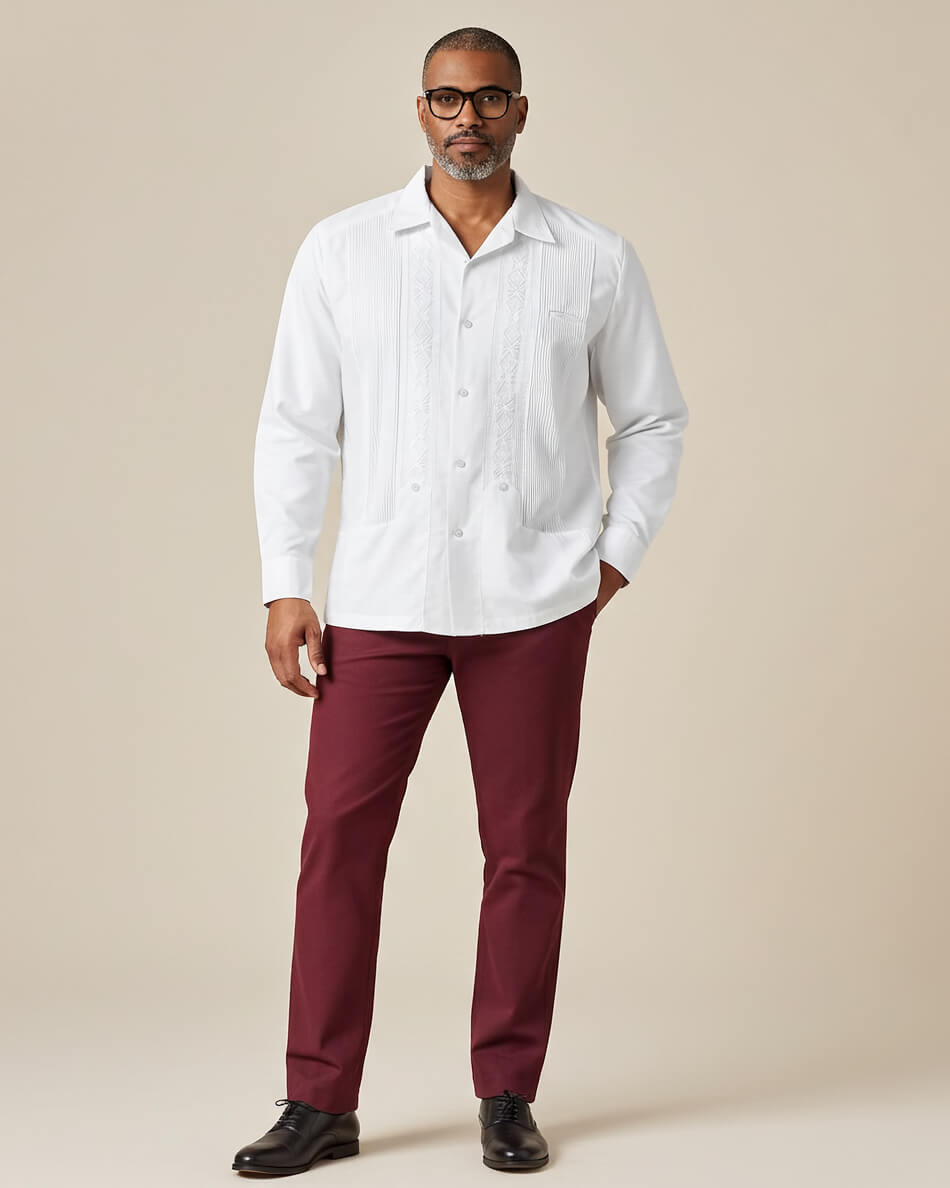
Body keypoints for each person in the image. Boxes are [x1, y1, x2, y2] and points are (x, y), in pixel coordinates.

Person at [233, 24, 689, 1177]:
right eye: (446, 99)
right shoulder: (343, 252)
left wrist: (613, 555)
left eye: (488, 101)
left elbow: (651, 419)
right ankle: (319, 1100)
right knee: (338, 839)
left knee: (524, 850)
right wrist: (287, 580)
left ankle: (505, 1092)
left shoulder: (590, 258)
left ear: (521, 113)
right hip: (381, 598)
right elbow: (294, 423)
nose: (466, 121)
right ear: (419, 111)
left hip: (534, 602)